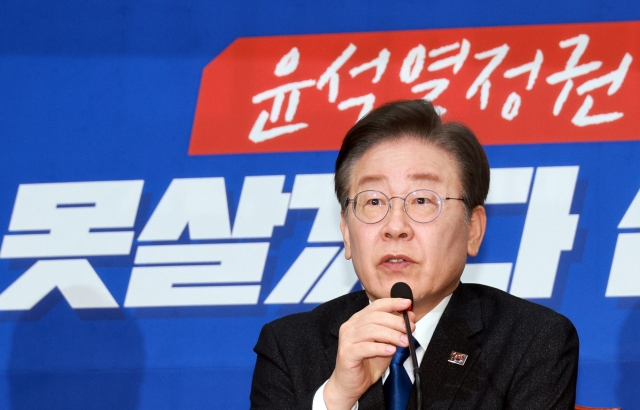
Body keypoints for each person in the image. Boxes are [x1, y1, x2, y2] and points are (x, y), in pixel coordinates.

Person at [250, 99, 579, 410]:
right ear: (347, 233)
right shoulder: (288, 349)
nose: (395, 227)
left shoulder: (531, 342)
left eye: (422, 201)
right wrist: (337, 397)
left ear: (473, 229)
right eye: (374, 201)